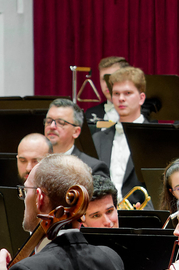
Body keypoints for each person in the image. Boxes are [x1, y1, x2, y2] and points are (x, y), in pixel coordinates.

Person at [93, 66, 151, 204]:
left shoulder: (155, 138)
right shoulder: (98, 139)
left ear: (141, 98)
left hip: (141, 214)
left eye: (127, 93)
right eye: (116, 93)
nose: (121, 98)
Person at [44, 98, 109, 177]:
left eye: (61, 123)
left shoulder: (92, 169)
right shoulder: (36, 161)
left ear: (76, 132)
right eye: (48, 121)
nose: (52, 126)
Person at [85, 56, 130, 124]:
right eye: (104, 79)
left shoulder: (142, 113)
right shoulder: (90, 114)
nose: (107, 84)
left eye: (112, 78)